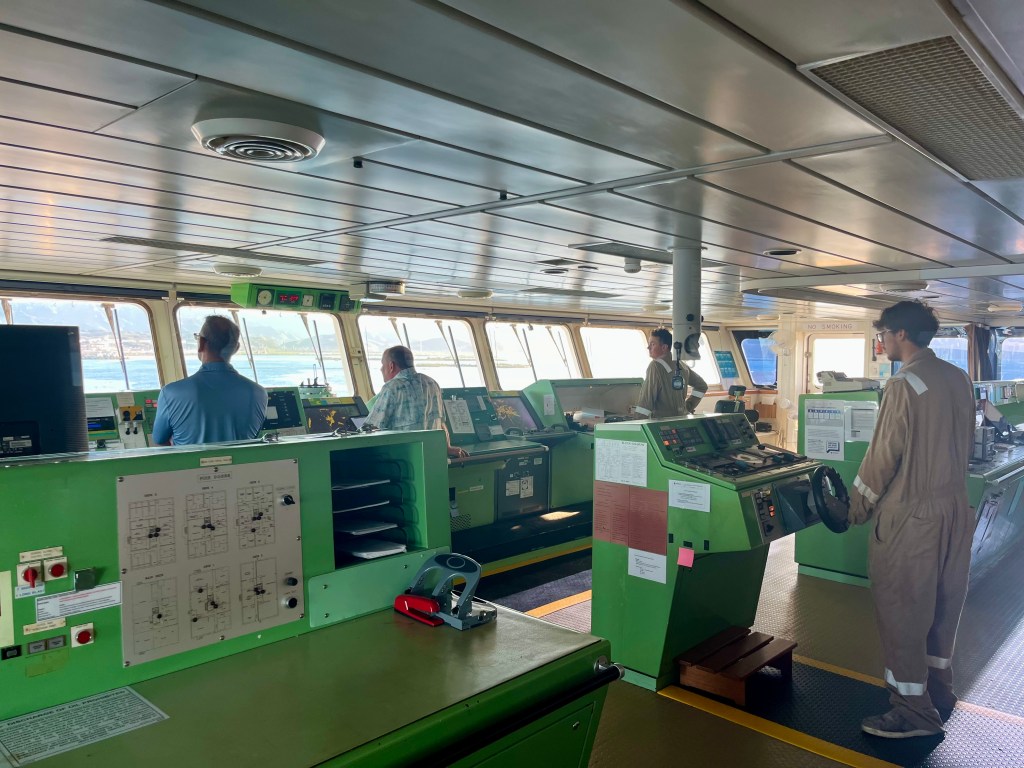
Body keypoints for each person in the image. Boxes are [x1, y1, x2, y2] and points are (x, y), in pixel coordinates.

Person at [849, 301, 975, 739]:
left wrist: (855, 507)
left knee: (904, 613)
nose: (880, 341)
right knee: (942, 609)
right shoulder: (957, 377)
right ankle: (940, 693)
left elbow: (882, 457)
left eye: (882, 332)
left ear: (900, 334)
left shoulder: (904, 384)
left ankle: (913, 714)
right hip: (955, 511)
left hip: (912, 517)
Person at [152, 315, 268, 445]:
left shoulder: (171, 393)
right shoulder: (259, 393)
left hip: (190, 465)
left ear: (201, 343)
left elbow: (159, 440)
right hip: (244, 466)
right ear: (236, 348)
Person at [364, 345, 467, 459]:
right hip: (433, 458)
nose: (381, 369)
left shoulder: (392, 388)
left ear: (391, 366)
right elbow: (441, 422)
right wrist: (447, 447)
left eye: (382, 365)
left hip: (403, 460)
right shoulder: (432, 383)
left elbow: (371, 428)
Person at [634, 328, 707, 418]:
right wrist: (687, 407)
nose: (648, 347)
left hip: (661, 423)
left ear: (664, 347)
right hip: (682, 419)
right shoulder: (682, 365)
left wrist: (637, 423)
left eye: (652, 344)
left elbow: (645, 402)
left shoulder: (656, 366)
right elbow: (702, 386)